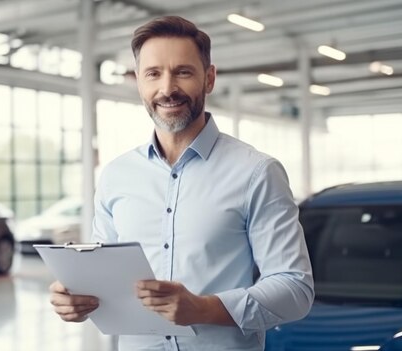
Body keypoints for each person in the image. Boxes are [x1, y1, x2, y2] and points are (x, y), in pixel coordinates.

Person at [49, 15, 314, 351]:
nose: (167, 89)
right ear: (139, 83)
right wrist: (76, 296)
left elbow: (295, 289)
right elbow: (106, 279)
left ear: (209, 79)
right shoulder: (117, 176)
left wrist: (204, 308)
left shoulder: (257, 172)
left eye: (183, 72)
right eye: (153, 74)